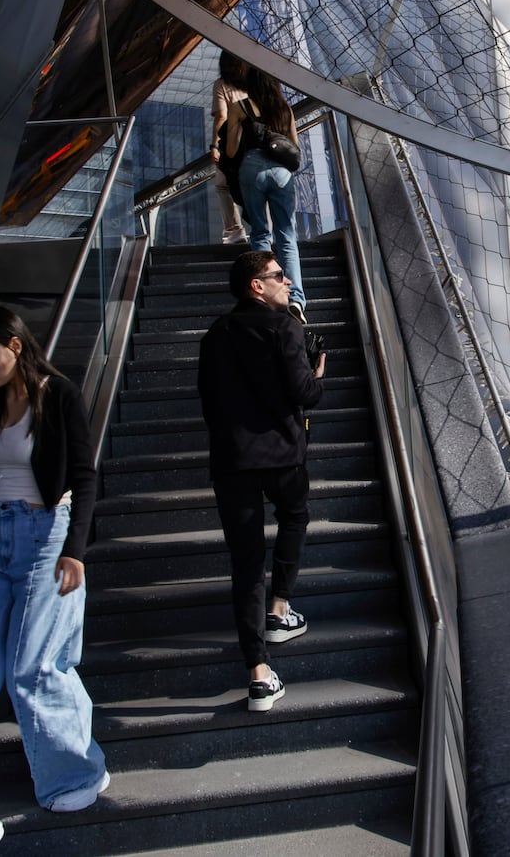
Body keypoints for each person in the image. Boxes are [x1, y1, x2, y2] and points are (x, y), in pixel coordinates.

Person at [0, 306, 109, 857]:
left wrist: (77, 550)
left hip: (48, 538)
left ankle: (75, 774)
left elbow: (82, 474)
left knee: (34, 668)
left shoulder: (58, 394)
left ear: (14, 344)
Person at [198, 250, 327, 712]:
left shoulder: (215, 334)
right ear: (257, 285)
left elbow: (208, 400)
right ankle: (279, 610)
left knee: (246, 562)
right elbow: (304, 394)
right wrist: (318, 369)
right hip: (283, 457)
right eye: (278, 276)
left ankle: (258, 672)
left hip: (232, 462)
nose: (287, 282)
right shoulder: (284, 328)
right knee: (295, 516)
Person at [222, 55, 310, 323]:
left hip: (252, 169)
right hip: (282, 173)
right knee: (287, 235)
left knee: (260, 232)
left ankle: (265, 299)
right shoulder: (285, 109)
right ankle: (295, 298)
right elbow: (295, 149)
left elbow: (231, 150)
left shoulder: (240, 106)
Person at [210, 49, 251, 244]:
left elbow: (221, 116)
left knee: (222, 185)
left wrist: (215, 145)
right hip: (254, 143)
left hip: (231, 144)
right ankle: (264, 229)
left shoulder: (222, 85)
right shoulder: (253, 83)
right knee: (257, 185)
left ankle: (235, 230)